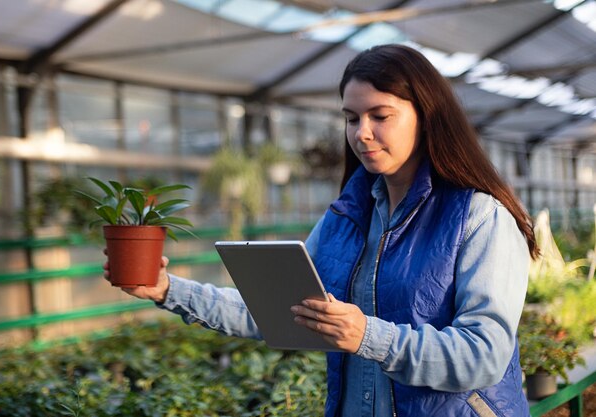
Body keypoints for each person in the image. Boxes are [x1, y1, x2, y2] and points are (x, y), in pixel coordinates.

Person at [104, 44, 538, 417]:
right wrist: (166, 289)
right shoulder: (347, 217)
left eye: (380, 115)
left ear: (427, 116)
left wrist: (368, 336)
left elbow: (484, 354)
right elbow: (278, 309)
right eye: (351, 118)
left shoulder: (479, 217)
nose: (362, 133)